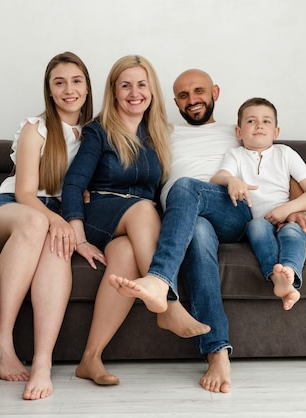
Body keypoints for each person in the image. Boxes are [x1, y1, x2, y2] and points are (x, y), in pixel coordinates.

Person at [110, 69, 306, 393]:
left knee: (185, 187)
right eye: (183, 95)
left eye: (199, 91)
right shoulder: (161, 132)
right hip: (186, 218)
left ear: (215, 92)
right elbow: (124, 163)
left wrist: (294, 206)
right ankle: (217, 351)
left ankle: (159, 279)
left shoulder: (235, 131)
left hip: (232, 209)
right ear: (174, 101)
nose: (192, 100)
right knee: (199, 233)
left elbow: (272, 159)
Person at [61, 55, 210, 386]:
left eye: (141, 84)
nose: (134, 92)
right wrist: (78, 235)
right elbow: (73, 183)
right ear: (114, 92)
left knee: (127, 252)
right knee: (144, 209)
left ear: (152, 90)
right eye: (125, 85)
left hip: (133, 225)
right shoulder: (98, 131)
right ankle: (167, 306)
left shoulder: (156, 134)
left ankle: (90, 359)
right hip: (100, 213)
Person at [0, 52, 98, 400]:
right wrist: (58, 220)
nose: (68, 89)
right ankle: (2, 338)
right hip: (12, 208)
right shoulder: (37, 128)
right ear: (50, 90)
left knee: (56, 248)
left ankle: (42, 363)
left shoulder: (95, 135)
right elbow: (26, 193)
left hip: (53, 216)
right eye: (59, 82)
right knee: (35, 223)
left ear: (87, 88)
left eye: (76, 81)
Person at [211, 97, 306, 311]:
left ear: (276, 132)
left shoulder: (285, 153)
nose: (259, 125)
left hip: (294, 222)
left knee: (291, 230)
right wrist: (231, 180)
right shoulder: (235, 155)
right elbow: (217, 178)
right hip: (260, 223)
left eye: (266, 121)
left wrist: (287, 210)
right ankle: (276, 277)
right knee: (256, 226)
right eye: (251, 121)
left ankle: (289, 272)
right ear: (239, 132)